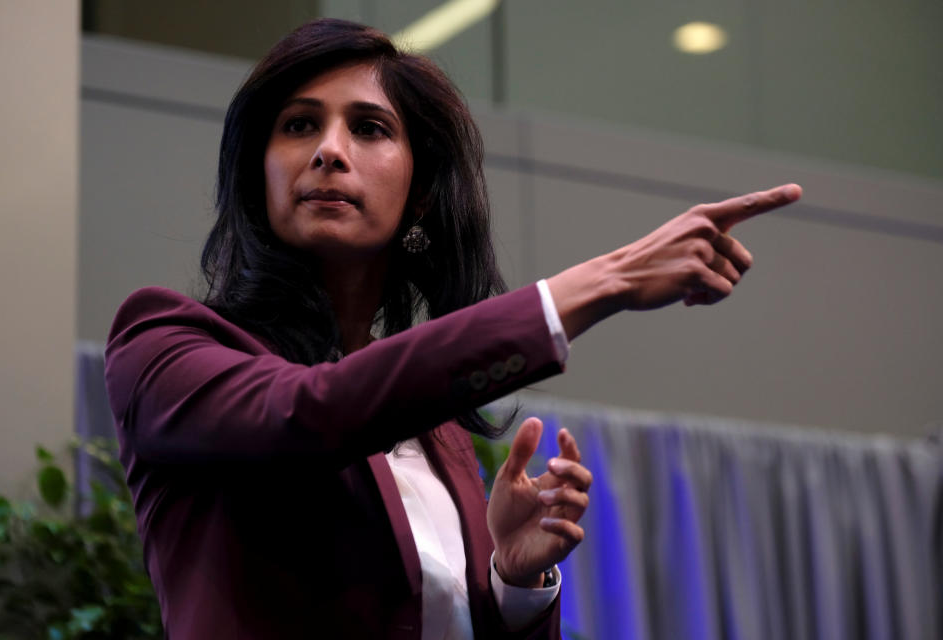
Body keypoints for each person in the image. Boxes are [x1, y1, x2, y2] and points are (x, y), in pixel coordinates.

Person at [103, 18, 801, 640]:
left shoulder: (440, 435)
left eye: (369, 128)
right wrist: (600, 283)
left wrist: (515, 583)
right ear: (258, 174)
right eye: (298, 125)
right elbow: (308, 413)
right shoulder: (162, 344)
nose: (329, 151)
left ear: (421, 193)